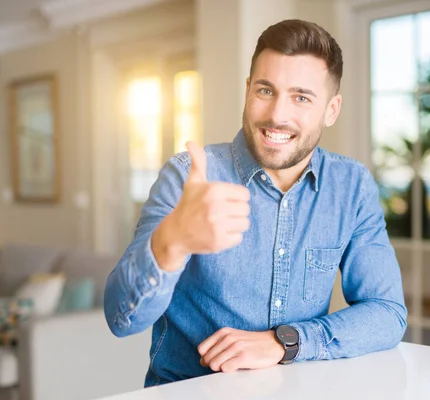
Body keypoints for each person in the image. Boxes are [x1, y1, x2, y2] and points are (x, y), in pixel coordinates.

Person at [104, 18, 407, 387]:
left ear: (331, 109)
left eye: (301, 97)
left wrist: (285, 342)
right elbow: (121, 321)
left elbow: (388, 314)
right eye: (266, 90)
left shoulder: (351, 186)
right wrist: (172, 242)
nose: (277, 115)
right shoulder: (186, 177)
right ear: (248, 90)